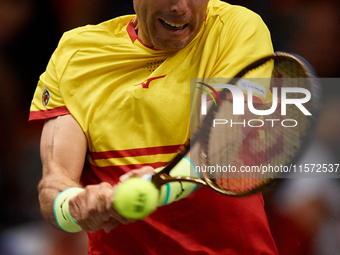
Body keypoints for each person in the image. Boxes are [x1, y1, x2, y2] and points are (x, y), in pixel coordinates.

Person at [29, 0, 279, 254]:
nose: (181, 8)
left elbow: (221, 144)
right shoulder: (77, 52)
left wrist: (157, 186)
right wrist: (75, 206)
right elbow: (55, 181)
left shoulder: (236, 27)